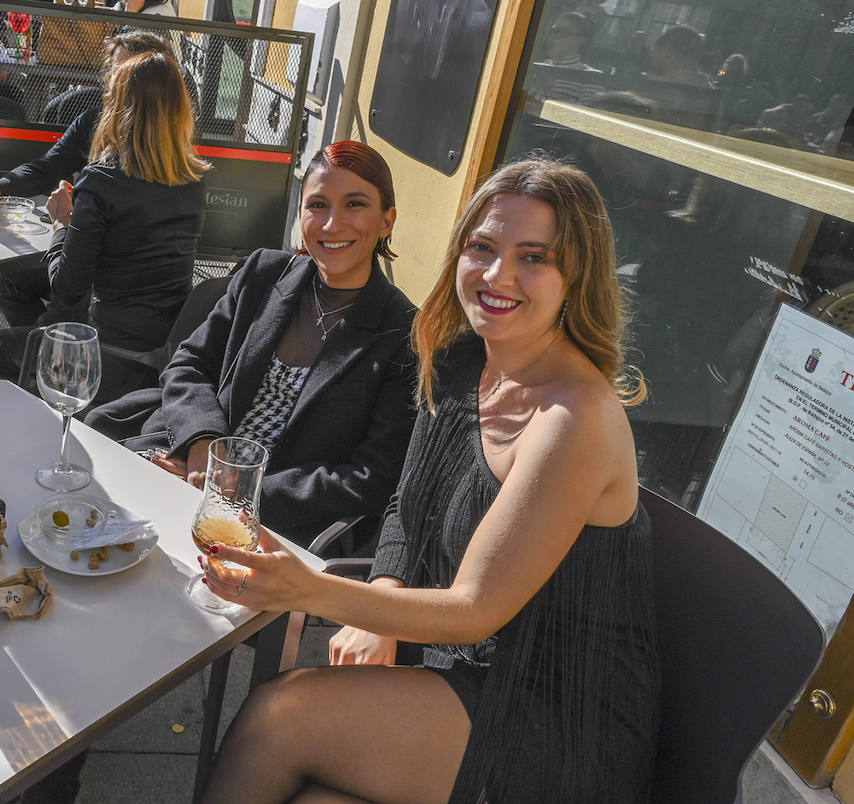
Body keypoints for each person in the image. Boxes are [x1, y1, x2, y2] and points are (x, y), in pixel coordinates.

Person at [197, 158, 660, 803]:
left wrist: (314, 590)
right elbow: (406, 510)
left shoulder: (573, 418)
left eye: (534, 257)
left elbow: (476, 610)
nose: (498, 275)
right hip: (455, 673)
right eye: (482, 247)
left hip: (555, 714)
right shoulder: (460, 359)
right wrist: (383, 599)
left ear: (576, 276)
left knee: (280, 717)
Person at [89, 141, 419, 546]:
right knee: (87, 533)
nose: (333, 224)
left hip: (274, 520)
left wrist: (236, 490)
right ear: (300, 214)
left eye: (355, 204)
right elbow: (189, 363)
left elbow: (370, 477)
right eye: (317, 205)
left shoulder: (404, 333)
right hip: (186, 460)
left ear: (387, 221)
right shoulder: (264, 273)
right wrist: (202, 445)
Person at [0, 50, 210, 403]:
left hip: (103, 353)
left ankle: (40, 408)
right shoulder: (193, 181)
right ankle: (44, 363)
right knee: (31, 314)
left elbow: (67, 288)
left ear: (118, 107)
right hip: (160, 352)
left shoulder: (103, 181)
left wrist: (63, 223)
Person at [0, 31, 176, 327]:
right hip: (89, 268)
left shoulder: (156, 157)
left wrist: (63, 222)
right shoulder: (95, 121)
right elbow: (46, 168)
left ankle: (46, 347)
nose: (113, 83)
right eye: (114, 71)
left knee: (5, 347)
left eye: (125, 75)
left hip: (107, 290)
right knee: (6, 279)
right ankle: (38, 344)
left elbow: (69, 285)